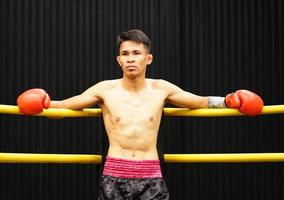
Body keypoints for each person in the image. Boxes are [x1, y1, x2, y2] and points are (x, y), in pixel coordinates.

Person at [16, 29, 264, 200]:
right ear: (118, 60)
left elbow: (198, 101)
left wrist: (230, 101)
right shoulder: (105, 89)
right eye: (125, 54)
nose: (130, 59)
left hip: (151, 175)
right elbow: (68, 105)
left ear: (148, 58)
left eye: (136, 53)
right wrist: (43, 102)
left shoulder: (161, 88)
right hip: (114, 174)